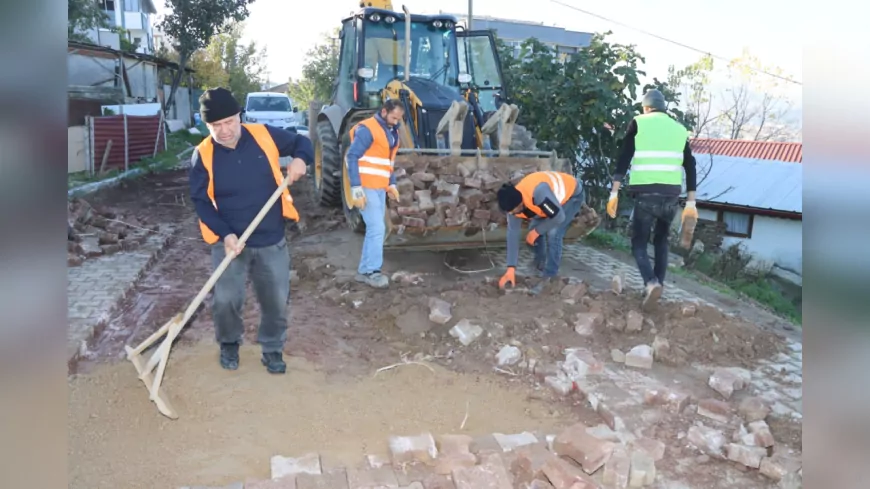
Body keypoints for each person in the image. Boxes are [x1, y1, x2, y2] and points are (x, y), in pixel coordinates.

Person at [189, 87, 313, 374]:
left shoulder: (263, 135)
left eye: (229, 122)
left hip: (270, 238)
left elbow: (301, 144)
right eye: (216, 125)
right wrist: (225, 234)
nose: (224, 130)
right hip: (229, 241)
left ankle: (272, 349)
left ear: (239, 117)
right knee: (226, 300)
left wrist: (299, 160)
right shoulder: (203, 155)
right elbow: (201, 201)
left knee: (275, 300)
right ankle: (229, 344)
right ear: (207, 126)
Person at [607, 89, 699, 308]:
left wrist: (614, 192)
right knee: (660, 241)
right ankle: (658, 286)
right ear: (663, 108)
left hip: (646, 195)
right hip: (671, 196)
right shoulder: (679, 129)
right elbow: (690, 165)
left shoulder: (639, 123)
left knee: (638, 243)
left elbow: (624, 158)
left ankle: (650, 283)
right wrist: (691, 202)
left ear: (646, 108)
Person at [345, 99, 404, 288]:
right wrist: (355, 187)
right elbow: (352, 156)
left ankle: (364, 271)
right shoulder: (367, 129)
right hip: (366, 187)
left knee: (377, 229)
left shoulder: (391, 131)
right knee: (377, 228)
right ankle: (373, 272)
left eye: (399, 118)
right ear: (384, 111)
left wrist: (392, 184)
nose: (396, 121)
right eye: (394, 117)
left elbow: (388, 163)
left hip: (379, 188)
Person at [496, 171, 585, 293]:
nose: (513, 214)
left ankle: (549, 277)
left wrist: (537, 231)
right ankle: (540, 266)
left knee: (554, 233)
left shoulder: (538, 193)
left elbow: (559, 217)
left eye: (514, 211)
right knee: (533, 233)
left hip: (571, 196)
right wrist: (511, 268)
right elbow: (512, 233)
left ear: (520, 203)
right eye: (510, 213)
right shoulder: (513, 206)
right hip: (550, 203)